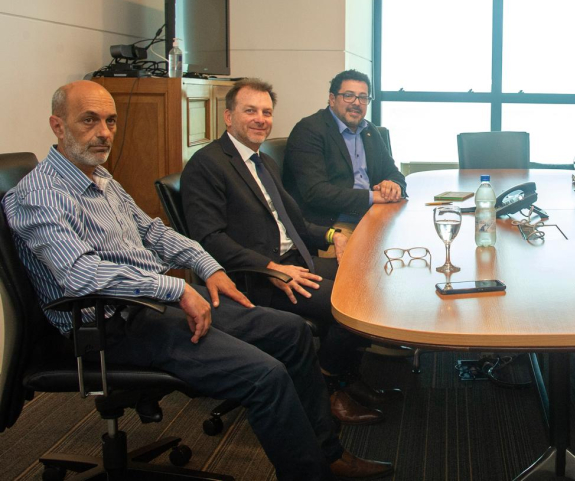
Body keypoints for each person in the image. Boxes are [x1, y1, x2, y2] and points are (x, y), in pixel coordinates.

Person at [2, 81, 392, 481]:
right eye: (89, 120)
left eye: (111, 121)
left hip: (154, 304)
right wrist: (176, 287)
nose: (104, 132)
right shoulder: (41, 194)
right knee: (265, 375)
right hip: (108, 326)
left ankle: (327, 454)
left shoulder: (100, 179)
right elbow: (81, 273)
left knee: (291, 332)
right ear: (58, 125)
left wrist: (208, 269)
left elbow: (155, 233)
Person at [181, 78, 400, 427]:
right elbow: (210, 239)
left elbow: (292, 221)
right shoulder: (206, 165)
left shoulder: (262, 161)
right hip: (256, 278)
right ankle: (327, 389)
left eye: (266, 112)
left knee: (370, 277)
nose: (260, 119)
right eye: (250, 111)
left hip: (295, 261)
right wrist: (270, 267)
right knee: (354, 302)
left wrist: (331, 235)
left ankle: (345, 376)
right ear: (227, 117)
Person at [283, 70, 406, 256]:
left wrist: (393, 184)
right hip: (332, 226)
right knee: (367, 266)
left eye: (363, 97)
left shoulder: (370, 131)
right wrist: (372, 197)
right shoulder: (309, 131)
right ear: (332, 99)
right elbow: (316, 193)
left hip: (374, 217)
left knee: (412, 248)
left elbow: (395, 174)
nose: (357, 103)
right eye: (349, 96)